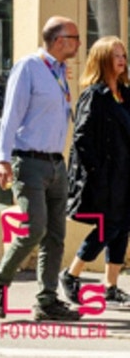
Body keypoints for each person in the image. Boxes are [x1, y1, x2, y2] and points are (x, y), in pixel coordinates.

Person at [0, 16, 83, 322]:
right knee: (34, 228)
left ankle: (46, 301)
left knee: (56, 235)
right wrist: (3, 159)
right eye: (74, 37)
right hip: (28, 161)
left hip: (56, 163)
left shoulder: (59, 72)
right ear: (58, 40)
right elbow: (10, 115)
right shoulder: (29, 67)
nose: (79, 43)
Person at [60, 36, 130, 308]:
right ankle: (71, 273)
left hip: (125, 173)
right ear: (102, 60)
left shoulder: (124, 94)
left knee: (123, 226)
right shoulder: (94, 94)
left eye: (123, 55)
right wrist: (96, 173)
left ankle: (111, 286)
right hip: (106, 175)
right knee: (107, 226)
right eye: (116, 55)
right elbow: (81, 138)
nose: (122, 60)